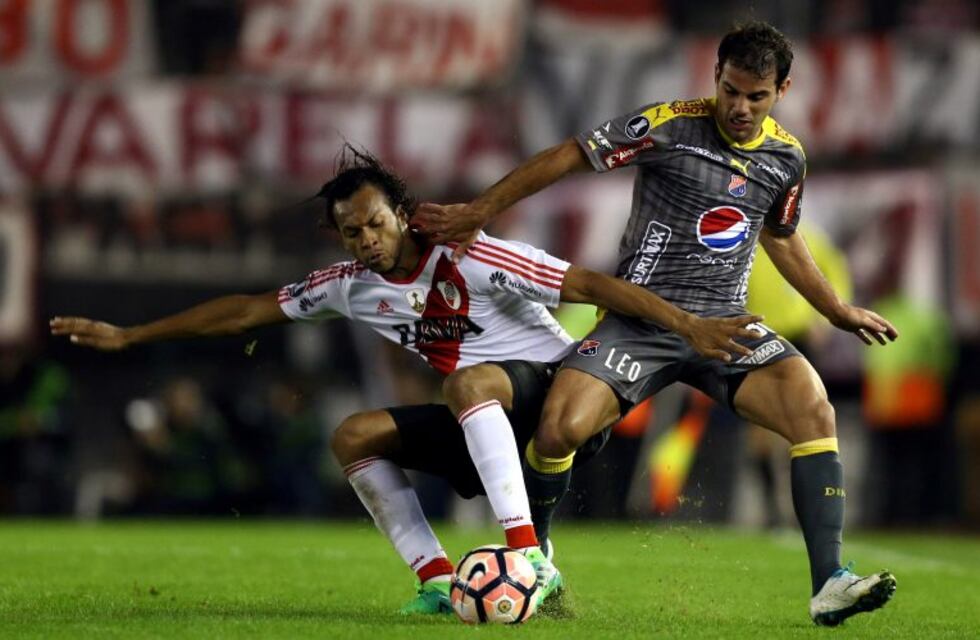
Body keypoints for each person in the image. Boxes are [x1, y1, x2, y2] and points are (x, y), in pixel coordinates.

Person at [51, 147, 759, 614]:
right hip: (484, 423)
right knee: (354, 435)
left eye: (375, 224)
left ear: (400, 214)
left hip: (560, 399)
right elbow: (245, 312)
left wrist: (689, 326)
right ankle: (438, 584)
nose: (367, 241)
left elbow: (590, 284)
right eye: (351, 233)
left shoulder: (475, 254)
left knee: (467, 383)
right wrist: (132, 335)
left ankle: (527, 558)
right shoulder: (349, 285)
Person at [412, 22, 899, 626]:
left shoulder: (786, 158)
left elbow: (780, 234)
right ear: (715, 76)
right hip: (641, 320)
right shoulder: (668, 125)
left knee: (813, 410)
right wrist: (481, 210)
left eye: (756, 96)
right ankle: (536, 558)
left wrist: (835, 309)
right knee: (558, 430)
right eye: (730, 90)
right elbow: (570, 154)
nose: (740, 107)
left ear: (782, 91)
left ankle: (829, 582)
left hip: (723, 327)